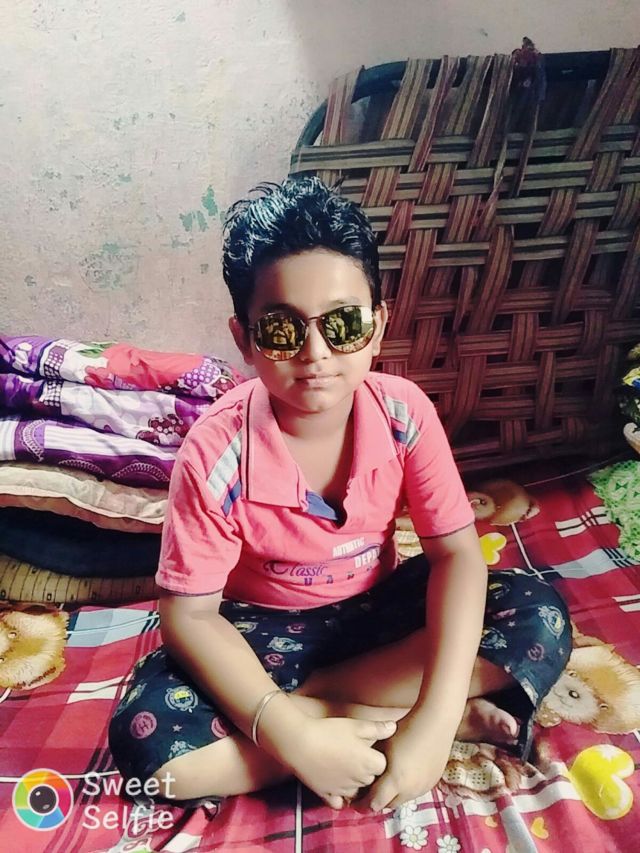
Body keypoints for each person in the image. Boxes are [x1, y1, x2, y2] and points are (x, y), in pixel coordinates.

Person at [109, 177, 570, 813]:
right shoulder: (216, 452)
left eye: (343, 324)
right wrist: (289, 732)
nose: (315, 353)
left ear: (377, 327)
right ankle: (359, 721)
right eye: (281, 329)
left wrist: (435, 722)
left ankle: (354, 711)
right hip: (260, 639)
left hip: (377, 616)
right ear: (244, 340)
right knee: (148, 748)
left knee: (536, 610)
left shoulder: (404, 413)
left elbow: (457, 555)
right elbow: (190, 616)